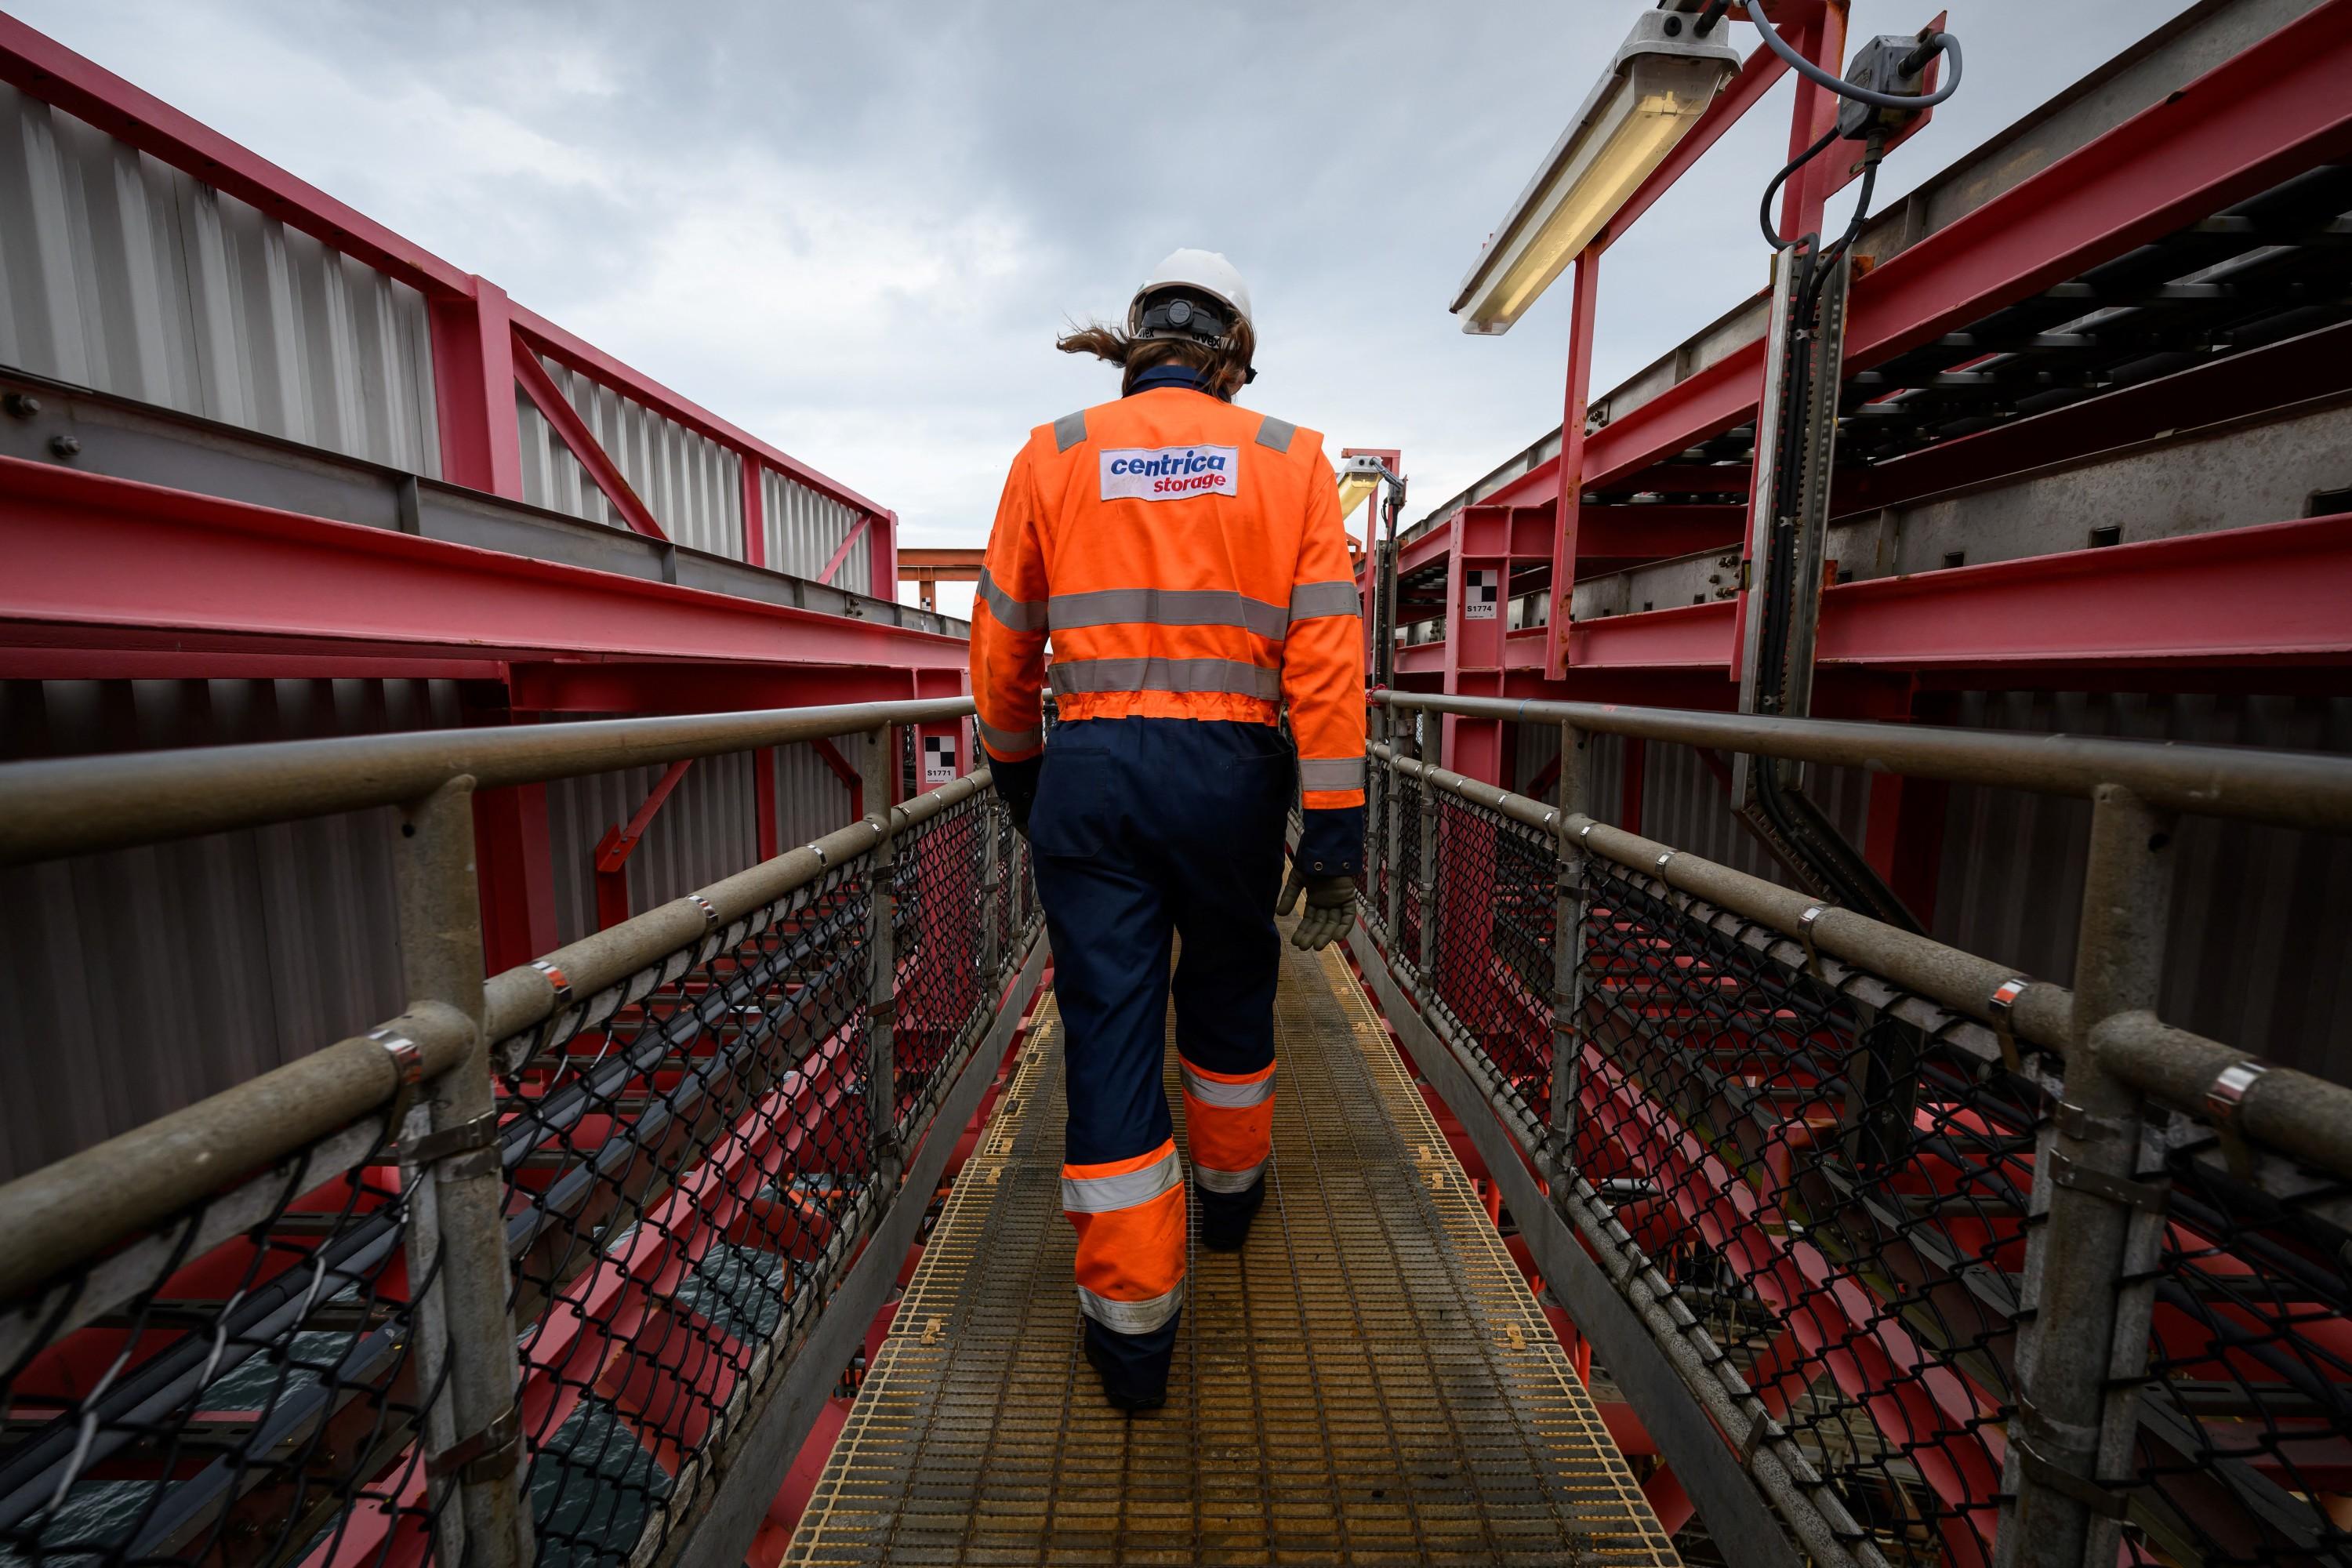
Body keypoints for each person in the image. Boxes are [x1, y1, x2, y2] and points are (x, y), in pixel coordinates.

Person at [968, 249, 1366, 1412]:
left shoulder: (1053, 455)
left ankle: (1134, 1340)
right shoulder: (1291, 461)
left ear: (1138, 336)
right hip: (1233, 773)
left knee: (1108, 1032)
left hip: (1090, 769)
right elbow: (1328, 660)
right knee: (1233, 985)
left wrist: (1019, 778)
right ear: (1234, 350)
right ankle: (1231, 1208)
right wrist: (1333, 828)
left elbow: (1001, 645)